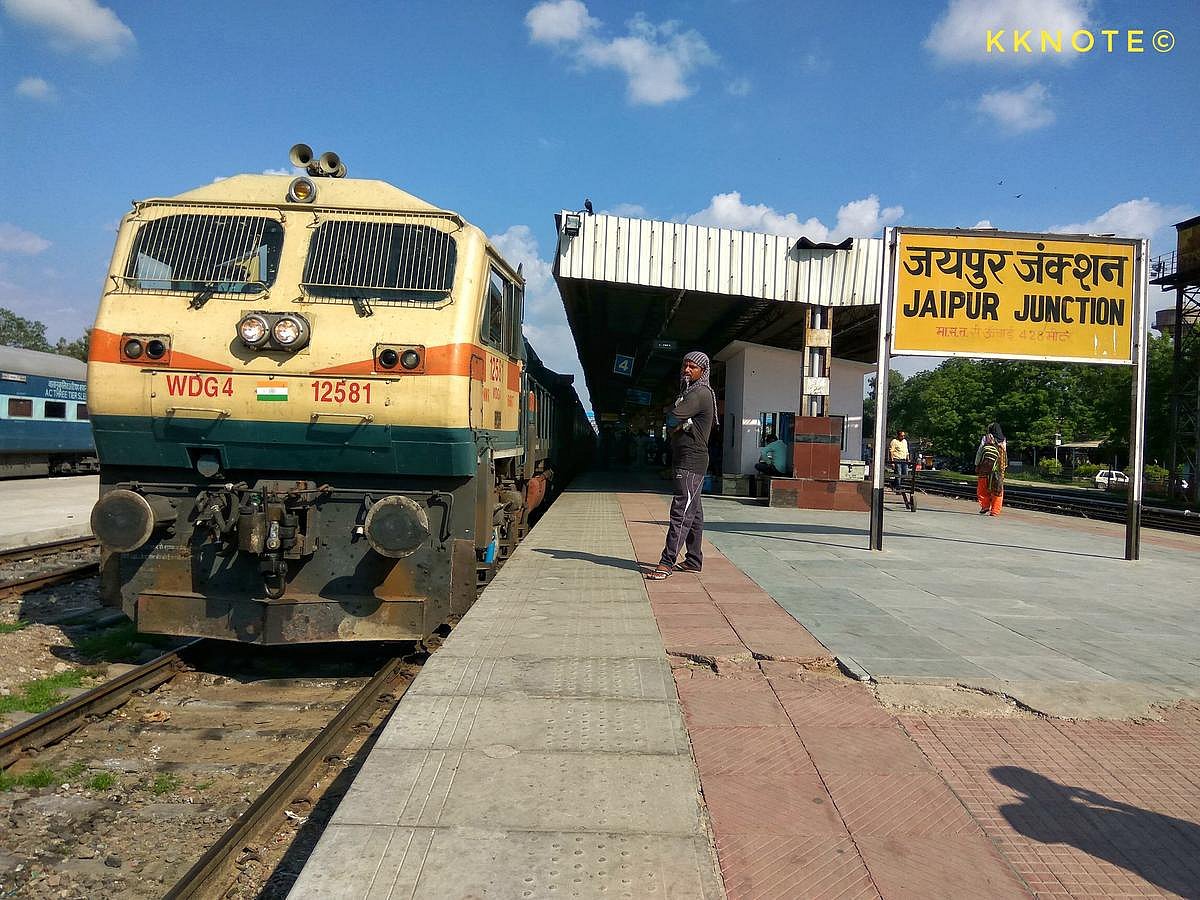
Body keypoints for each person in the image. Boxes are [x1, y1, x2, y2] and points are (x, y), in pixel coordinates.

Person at [646, 351, 716, 580]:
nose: (687, 370)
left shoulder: (698, 393)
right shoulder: (689, 393)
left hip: (691, 459)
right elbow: (675, 420)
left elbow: (672, 416)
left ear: (703, 371)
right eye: (685, 365)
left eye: (693, 367)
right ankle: (694, 560)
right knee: (693, 512)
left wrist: (676, 419)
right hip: (685, 457)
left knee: (681, 511)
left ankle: (667, 562)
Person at [975, 432, 1007, 515]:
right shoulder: (1003, 440)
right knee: (997, 490)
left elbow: (980, 451)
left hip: (985, 469)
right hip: (998, 470)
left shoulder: (986, 438)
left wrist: (977, 464)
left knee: (982, 488)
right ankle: (995, 511)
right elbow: (1004, 455)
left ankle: (985, 506)